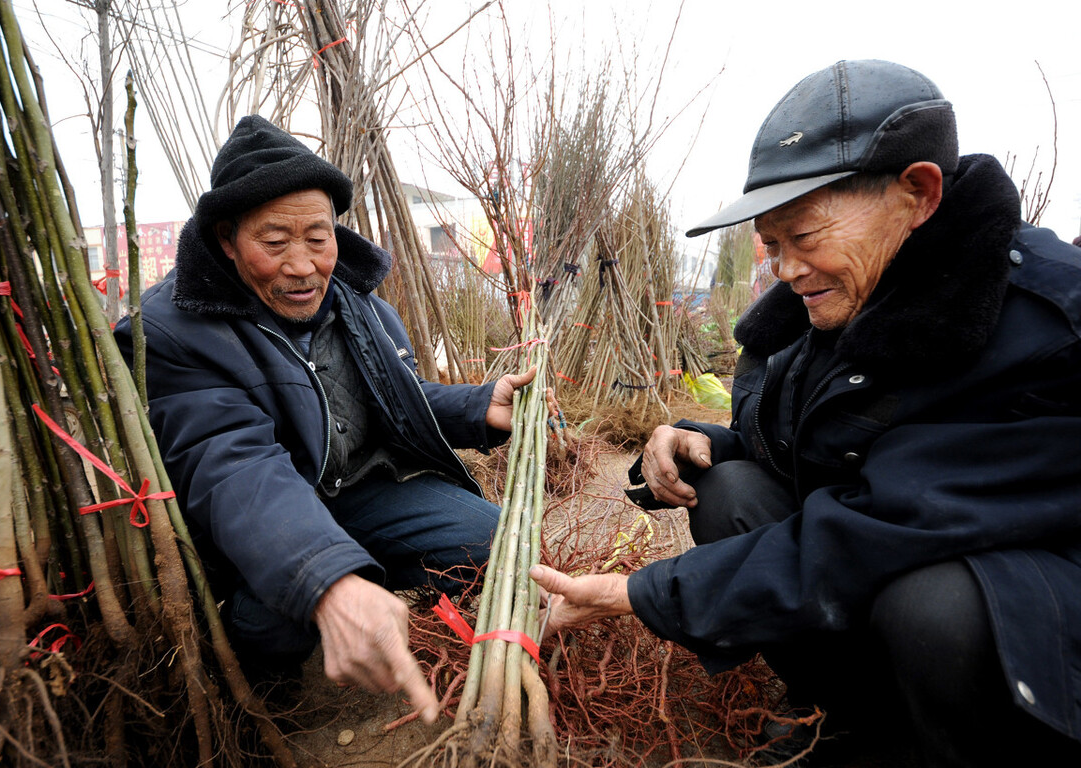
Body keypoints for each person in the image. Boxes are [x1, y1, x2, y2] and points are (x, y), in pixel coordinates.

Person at [531, 60, 1081, 766]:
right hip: (894, 545)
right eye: (772, 245)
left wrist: (639, 591)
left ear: (916, 194)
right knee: (728, 489)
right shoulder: (841, 300)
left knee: (935, 608)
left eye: (805, 237)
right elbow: (810, 453)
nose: (786, 271)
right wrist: (696, 440)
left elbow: (882, 525)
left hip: (1025, 624)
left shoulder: (1048, 327)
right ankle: (851, 714)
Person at [115, 116, 536, 723]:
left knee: (496, 542)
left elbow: (395, 401)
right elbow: (232, 466)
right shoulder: (174, 332)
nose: (303, 265)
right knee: (275, 626)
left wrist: (477, 406)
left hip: (360, 493)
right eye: (275, 241)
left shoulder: (360, 305)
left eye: (317, 237)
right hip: (259, 525)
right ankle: (268, 686)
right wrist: (326, 579)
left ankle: (364, 571)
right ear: (227, 241)